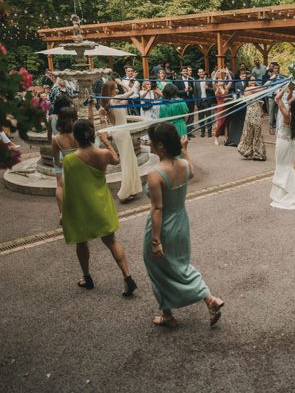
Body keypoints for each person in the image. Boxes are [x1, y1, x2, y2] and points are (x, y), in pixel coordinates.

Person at [143, 123, 224, 327]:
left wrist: (155, 240)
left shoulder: (155, 173)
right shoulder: (183, 165)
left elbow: (157, 209)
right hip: (181, 222)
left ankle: (169, 313)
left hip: (164, 226)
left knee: (157, 267)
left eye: (151, 140)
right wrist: (185, 150)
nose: (148, 143)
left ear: (161, 146)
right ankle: (208, 299)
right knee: (180, 265)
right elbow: (191, 172)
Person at [61, 119, 137, 296]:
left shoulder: (69, 160)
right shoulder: (103, 154)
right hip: (101, 205)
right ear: (93, 134)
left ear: (75, 137)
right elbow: (117, 160)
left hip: (81, 208)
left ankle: (87, 278)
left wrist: (64, 213)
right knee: (111, 241)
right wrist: (106, 141)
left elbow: (68, 190)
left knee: (81, 242)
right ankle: (128, 277)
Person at [99, 80, 143, 202]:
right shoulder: (115, 99)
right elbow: (132, 92)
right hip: (122, 133)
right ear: (111, 90)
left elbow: (124, 102)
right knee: (127, 161)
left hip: (119, 132)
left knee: (129, 159)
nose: (117, 89)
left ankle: (132, 189)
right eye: (115, 87)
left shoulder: (108, 102)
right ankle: (125, 192)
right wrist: (122, 83)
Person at [270, 85, 295, 209]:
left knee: (282, 166)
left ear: (291, 105)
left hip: (283, 143)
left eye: (291, 99)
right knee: (287, 166)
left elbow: (277, 98)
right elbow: (286, 99)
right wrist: (291, 90)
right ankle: (287, 191)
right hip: (290, 143)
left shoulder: (286, 114)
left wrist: (285, 87)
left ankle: (284, 194)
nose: (290, 99)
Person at [51, 106, 78, 220]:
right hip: (81, 164)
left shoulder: (56, 139)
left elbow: (57, 161)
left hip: (68, 167)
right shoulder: (79, 132)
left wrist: (62, 163)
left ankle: (62, 213)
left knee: (60, 186)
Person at [237, 80, 266, 161]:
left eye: (254, 80)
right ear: (248, 82)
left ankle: (248, 151)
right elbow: (264, 88)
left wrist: (259, 102)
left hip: (252, 113)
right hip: (253, 114)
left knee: (250, 132)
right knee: (256, 132)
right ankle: (258, 153)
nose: (253, 81)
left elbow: (252, 99)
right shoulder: (250, 89)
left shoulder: (248, 89)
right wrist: (272, 78)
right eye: (251, 80)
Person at [192, 68, 215, 138]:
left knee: (209, 117)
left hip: (207, 101)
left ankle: (209, 133)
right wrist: (195, 103)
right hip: (200, 102)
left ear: (204, 72)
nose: (201, 73)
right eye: (200, 72)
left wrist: (208, 88)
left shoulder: (209, 80)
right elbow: (195, 93)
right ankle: (202, 132)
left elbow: (214, 90)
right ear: (198, 74)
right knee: (201, 118)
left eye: (202, 72)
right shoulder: (196, 81)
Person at [213, 75, 232, 146]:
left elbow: (230, 81)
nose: (221, 82)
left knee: (226, 124)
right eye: (219, 81)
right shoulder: (216, 89)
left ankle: (226, 138)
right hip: (220, 108)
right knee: (220, 124)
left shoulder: (226, 88)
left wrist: (228, 73)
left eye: (222, 80)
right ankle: (216, 138)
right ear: (217, 83)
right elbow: (213, 81)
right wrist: (216, 74)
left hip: (227, 107)